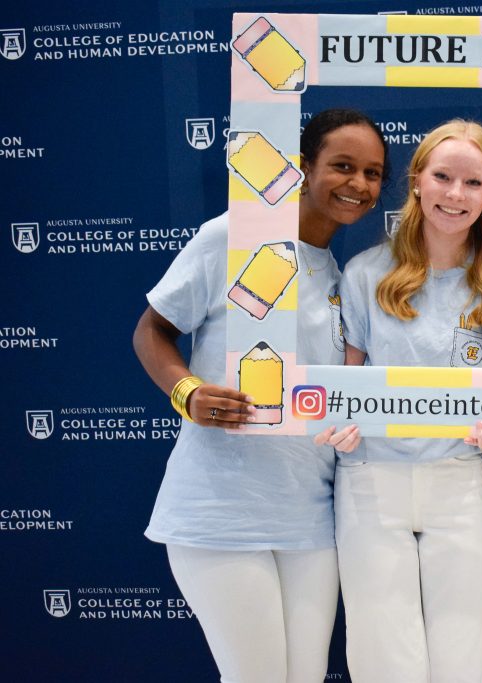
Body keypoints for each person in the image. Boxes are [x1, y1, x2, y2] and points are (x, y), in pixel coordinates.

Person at [133, 108, 389, 683]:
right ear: (302, 168)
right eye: (343, 166)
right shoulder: (233, 239)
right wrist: (187, 391)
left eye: (373, 174)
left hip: (311, 521)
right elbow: (152, 330)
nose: (359, 185)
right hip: (220, 514)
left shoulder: (342, 276)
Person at [316, 119, 482, 683]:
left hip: (457, 480)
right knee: (384, 653)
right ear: (416, 182)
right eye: (442, 177)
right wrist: (341, 423)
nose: (455, 195)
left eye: (473, 183)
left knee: (464, 650)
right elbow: (347, 384)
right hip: (370, 481)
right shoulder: (366, 274)